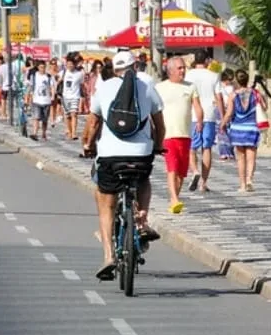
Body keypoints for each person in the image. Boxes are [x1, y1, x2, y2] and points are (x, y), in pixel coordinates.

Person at [83, 51, 166, 281]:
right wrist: (157, 146)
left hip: (110, 157)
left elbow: (93, 122)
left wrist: (87, 145)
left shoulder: (104, 88)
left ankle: (109, 255)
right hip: (140, 156)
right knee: (144, 179)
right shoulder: (147, 86)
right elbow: (159, 123)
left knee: (105, 202)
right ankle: (141, 219)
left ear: (114, 69)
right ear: (136, 66)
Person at [155, 56, 203, 214]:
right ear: (170, 71)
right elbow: (153, 110)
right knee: (172, 167)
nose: (183, 71)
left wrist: (200, 121)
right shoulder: (160, 87)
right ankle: (175, 198)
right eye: (179, 68)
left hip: (185, 133)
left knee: (182, 171)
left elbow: (197, 106)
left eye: (184, 68)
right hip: (168, 134)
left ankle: (174, 199)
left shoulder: (190, 87)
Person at [184, 50, 225, 194]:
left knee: (192, 147)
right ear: (207, 60)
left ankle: (194, 170)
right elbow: (219, 97)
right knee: (206, 148)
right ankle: (204, 182)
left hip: (192, 115)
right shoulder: (214, 76)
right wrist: (223, 116)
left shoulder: (188, 75)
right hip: (209, 114)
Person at [221, 69, 265, 192]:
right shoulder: (255, 93)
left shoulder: (233, 95)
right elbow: (264, 107)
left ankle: (242, 184)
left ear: (236, 81)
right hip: (252, 128)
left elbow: (229, 113)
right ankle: (250, 179)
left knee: (240, 158)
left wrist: (223, 124)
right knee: (251, 157)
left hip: (238, 129)